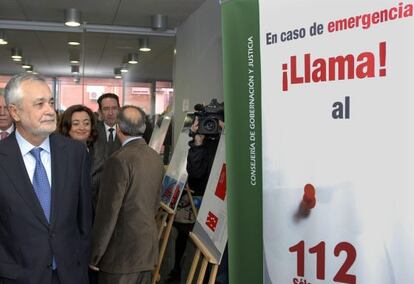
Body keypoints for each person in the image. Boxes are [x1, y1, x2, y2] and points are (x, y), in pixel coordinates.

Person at [0, 73, 92, 284]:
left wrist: (80, 265)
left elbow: (84, 220)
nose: (50, 111)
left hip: (70, 275)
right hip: (17, 277)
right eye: (39, 104)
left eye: (51, 102)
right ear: (15, 112)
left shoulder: (75, 153)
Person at [90, 105, 164, 284]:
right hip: (146, 249)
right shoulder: (155, 157)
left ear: (118, 128)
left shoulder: (118, 160)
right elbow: (155, 203)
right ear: (144, 128)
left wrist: (95, 255)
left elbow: (108, 213)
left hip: (120, 254)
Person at [166, 115, 222, 283]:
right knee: (194, 245)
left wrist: (227, 134)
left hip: (221, 204)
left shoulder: (227, 140)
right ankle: (180, 271)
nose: (211, 126)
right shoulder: (202, 143)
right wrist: (197, 143)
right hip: (201, 200)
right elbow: (195, 173)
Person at [91, 93, 122, 208]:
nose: (110, 113)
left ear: (119, 109)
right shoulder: (92, 132)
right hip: (95, 193)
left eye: (114, 108)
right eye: (106, 109)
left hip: (120, 191)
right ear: (100, 112)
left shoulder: (128, 132)